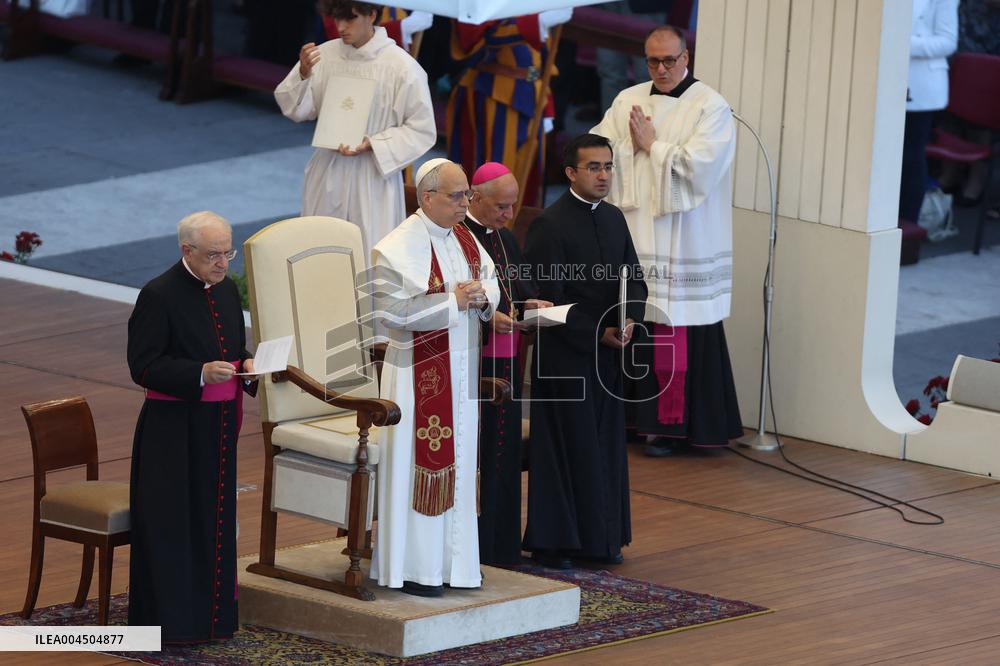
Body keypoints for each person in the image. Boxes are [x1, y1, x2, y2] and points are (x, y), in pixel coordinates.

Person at [592, 25, 743, 457]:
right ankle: (630, 420)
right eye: (652, 61)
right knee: (633, 314)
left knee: (673, 322)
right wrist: (630, 148)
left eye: (669, 60)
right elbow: (599, 148)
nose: (660, 69)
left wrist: (652, 146)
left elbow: (702, 168)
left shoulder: (710, 107)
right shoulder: (628, 99)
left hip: (685, 239)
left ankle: (671, 425)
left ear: (686, 57)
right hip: (635, 230)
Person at [370, 158, 500, 597]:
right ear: (428, 198)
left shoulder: (465, 237)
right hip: (415, 377)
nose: (468, 202)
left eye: (468, 194)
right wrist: (452, 302)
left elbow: (491, 283)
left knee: (460, 466)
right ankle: (414, 569)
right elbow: (388, 312)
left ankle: (456, 566)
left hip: (460, 373)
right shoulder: (396, 246)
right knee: (416, 466)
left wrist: (482, 297)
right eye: (458, 195)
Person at [127, 211, 257, 642]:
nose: (224, 264)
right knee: (175, 526)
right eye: (214, 255)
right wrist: (199, 373)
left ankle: (213, 620)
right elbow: (143, 366)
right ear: (187, 251)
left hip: (216, 432)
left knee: (213, 522)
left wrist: (249, 364)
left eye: (228, 253)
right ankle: (172, 627)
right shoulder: (158, 295)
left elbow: (231, 348)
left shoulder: (221, 291)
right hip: (172, 433)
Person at [522, 134, 647, 569]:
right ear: (571, 172)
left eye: (609, 166)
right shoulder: (549, 225)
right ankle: (556, 544)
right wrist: (599, 332)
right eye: (594, 167)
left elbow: (635, 278)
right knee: (567, 450)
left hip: (608, 357)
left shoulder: (614, 218)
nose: (603, 175)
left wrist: (630, 319)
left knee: (605, 448)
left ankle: (601, 539)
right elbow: (545, 304)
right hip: (566, 360)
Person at [275, 0, 436, 255]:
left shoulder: (402, 67)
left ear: (371, 15)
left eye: (349, 19)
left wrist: (374, 143)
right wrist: (303, 74)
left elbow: (422, 128)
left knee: (369, 255)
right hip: (328, 171)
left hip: (371, 177)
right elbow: (296, 109)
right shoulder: (324, 55)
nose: (340, 27)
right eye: (336, 19)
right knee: (320, 251)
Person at [462, 162, 551, 566]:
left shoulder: (505, 238)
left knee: (504, 451)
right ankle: (475, 545)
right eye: (500, 206)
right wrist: (487, 315)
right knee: (479, 452)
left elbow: (519, 288)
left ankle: (501, 546)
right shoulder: (459, 238)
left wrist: (531, 303)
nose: (508, 215)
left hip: (508, 362)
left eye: (513, 206)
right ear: (474, 198)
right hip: (472, 366)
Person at [446, 10, 572, 207]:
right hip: (491, 94)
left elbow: (541, 62)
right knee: (492, 180)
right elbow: (473, 39)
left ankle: (512, 236)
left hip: (532, 95)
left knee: (526, 181)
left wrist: (548, 103)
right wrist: (535, 24)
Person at [899, 0, 958, 223]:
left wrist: (903, 43)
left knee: (911, 158)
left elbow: (948, 42)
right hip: (883, 79)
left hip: (922, 88)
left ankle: (908, 229)